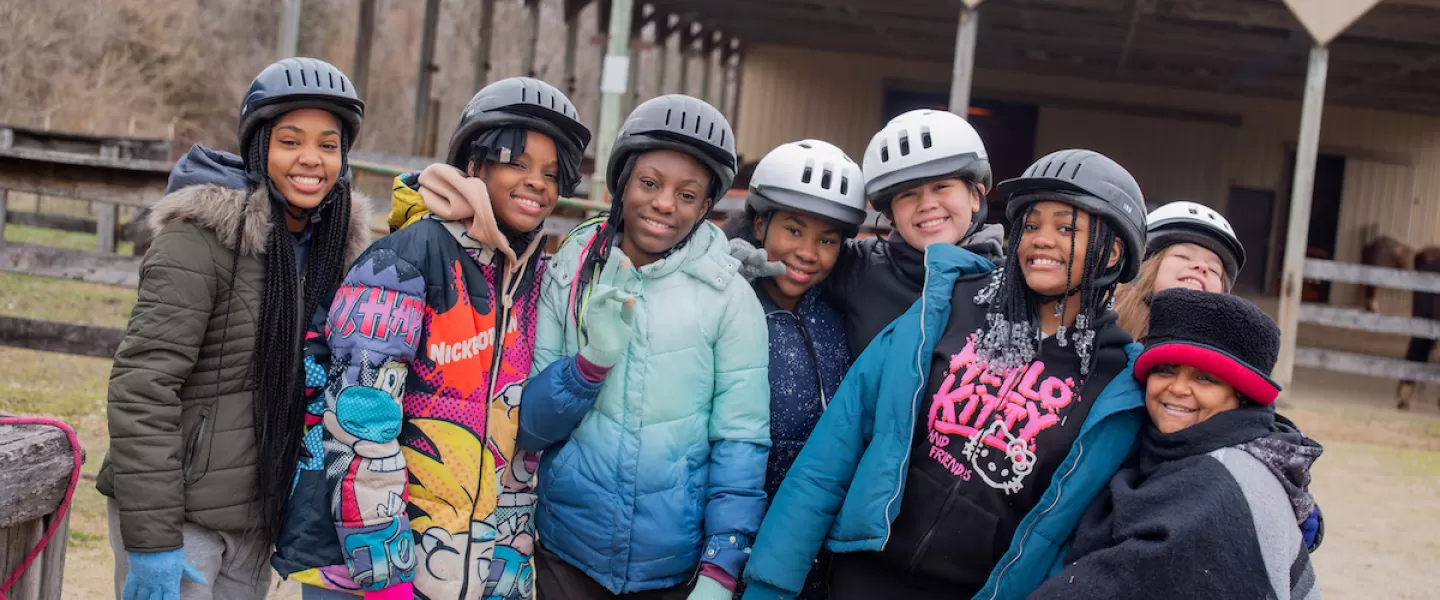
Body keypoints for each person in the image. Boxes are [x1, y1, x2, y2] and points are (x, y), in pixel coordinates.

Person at [742, 149, 1152, 600]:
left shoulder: (1120, 379)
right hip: (863, 576)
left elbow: (1073, 535)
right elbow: (834, 449)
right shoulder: (950, 302)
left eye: (1066, 228)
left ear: (1113, 251)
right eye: (1032, 225)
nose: (1041, 240)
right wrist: (771, 583)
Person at [271, 77, 591, 599]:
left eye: (552, 174)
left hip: (468, 570)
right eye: (518, 162)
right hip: (372, 571)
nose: (537, 183)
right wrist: (381, 566)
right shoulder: (403, 262)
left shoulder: (534, 281)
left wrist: (508, 555)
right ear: (474, 164)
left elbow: (514, 434)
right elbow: (360, 416)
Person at [99, 57, 372, 600]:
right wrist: (153, 541)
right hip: (180, 514)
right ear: (260, 146)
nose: (311, 160)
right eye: (291, 141)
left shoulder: (332, 252)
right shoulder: (201, 238)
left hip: (256, 520)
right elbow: (142, 385)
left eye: (328, 145)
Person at [518, 95, 770, 599]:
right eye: (650, 183)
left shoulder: (730, 298)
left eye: (687, 194)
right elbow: (529, 428)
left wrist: (723, 563)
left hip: (672, 568)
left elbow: (740, 439)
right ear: (622, 183)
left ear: (704, 207)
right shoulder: (569, 271)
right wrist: (589, 365)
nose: (663, 204)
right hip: (565, 554)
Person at [1030, 288, 1322, 599]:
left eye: (1205, 378)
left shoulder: (1223, 483)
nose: (1178, 389)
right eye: (1165, 371)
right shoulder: (1154, 453)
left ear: (1240, 395)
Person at [729, 109, 1002, 359]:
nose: (928, 204)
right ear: (892, 214)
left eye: (942, 186)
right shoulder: (861, 267)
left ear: (975, 197)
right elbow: (795, 251)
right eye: (908, 194)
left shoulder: (1010, 286)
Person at [720, 139, 867, 599]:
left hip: (818, 548)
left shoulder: (841, 310)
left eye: (827, 240)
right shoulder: (727, 303)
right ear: (760, 224)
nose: (808, 252)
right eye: (795, 230)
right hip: (732, 539)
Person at [1114, 201, 1245, 338]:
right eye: (1183, 256)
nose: (1202, 266)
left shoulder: (1228, 356)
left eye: (1214, 270)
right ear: (1144, 268)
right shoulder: (1100, 333)